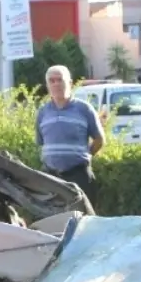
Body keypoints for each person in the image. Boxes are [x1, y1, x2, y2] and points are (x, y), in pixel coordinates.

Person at [35, 64, 104, 198]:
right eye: (51, 81)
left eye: (60, 80)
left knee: (83, 217)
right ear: (47, 85)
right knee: (53, 218)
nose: (56, 84)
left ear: (70, 83)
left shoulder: (84, 109)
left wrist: (86, 155)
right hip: (51, 177)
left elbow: (99, 140)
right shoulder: (43, 112)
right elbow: (41, 142)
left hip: (78, 176)